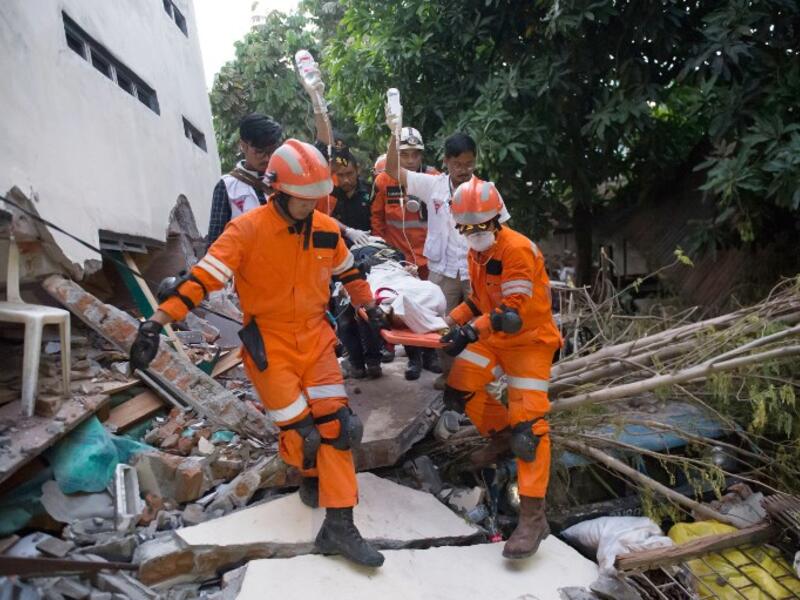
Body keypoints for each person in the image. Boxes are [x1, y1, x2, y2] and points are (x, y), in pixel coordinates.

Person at [130, 139, 385, 568]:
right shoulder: (246, 230)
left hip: (317, 340)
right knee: (304, 436)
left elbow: (349, 271)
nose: (311, 207)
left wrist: (369, 305)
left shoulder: (325, 228)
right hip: (270, 346)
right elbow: (203, 279)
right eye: (302, 200)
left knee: (339, 428)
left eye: (315, 199)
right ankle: (308, 472)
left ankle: (339, 526)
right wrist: (158, 321)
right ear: (277, 192)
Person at [438, 177, 561, 559]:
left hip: (529, 341)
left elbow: (511, 311)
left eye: (480, 226)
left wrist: (470, 331)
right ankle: (499, 434)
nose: (473, 234)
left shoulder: (517, 251)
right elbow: (479, 300)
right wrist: (446, 321)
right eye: (466, 228)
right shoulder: (477, 254)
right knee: (459, 386)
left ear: (497, 219)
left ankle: (533, 516)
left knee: (530, 430)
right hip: (497, 338)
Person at [384, 121, 509, 388]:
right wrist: (394, 133)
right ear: (446, 162)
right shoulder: (432, 186)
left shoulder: (487, 190)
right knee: (443, 324)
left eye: (469, 164)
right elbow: (391, 169)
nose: (464, 170)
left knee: (481, 325)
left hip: (476, 270)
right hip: (442, 270)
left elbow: (504, 230)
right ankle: (450, 375)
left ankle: (481, 379)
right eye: (458, 165)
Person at [371, 127, 442, 380]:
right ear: (396, 155)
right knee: (406, 310)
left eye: (415, 154)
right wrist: (388, 256)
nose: (411, 160)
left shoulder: (434, 178)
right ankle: (413, 358)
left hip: (430, 258)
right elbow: (377, 220)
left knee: (431, 308)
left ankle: (431, 356)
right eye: (405, 154)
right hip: (399, 259)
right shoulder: (383, 182)